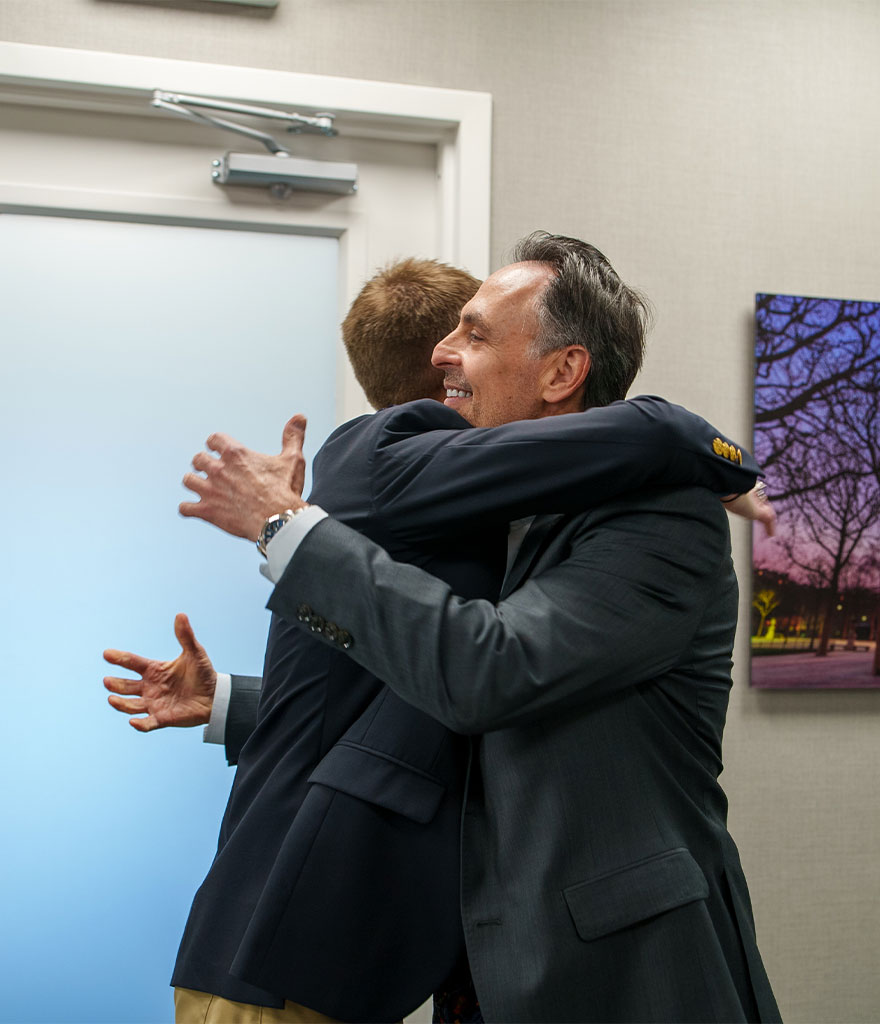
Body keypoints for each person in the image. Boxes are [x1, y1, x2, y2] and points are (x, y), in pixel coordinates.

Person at [106, 243, 770, 1023]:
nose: (443, 355)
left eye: (476, 335)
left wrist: (290, 532)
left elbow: (491, 670)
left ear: (562, 372)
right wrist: (242, 704)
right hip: (483, 966)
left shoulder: (661, 518)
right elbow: (432, 709)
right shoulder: (494, 513)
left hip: (618, 970)